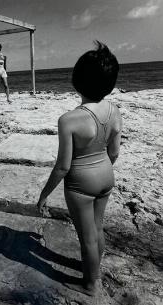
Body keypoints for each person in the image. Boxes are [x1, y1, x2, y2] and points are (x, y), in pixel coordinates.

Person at [37, 41, 121, 296]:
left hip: (81, 184)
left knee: (87, 238)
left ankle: (91, 284)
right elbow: (114, 151)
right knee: (97, 227)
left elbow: (63, 167)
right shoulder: (114, 109)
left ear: (77, 81)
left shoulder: (69, 120)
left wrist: (44, 194)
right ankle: (95, 265)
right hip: (106, 175)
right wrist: (103, 169)